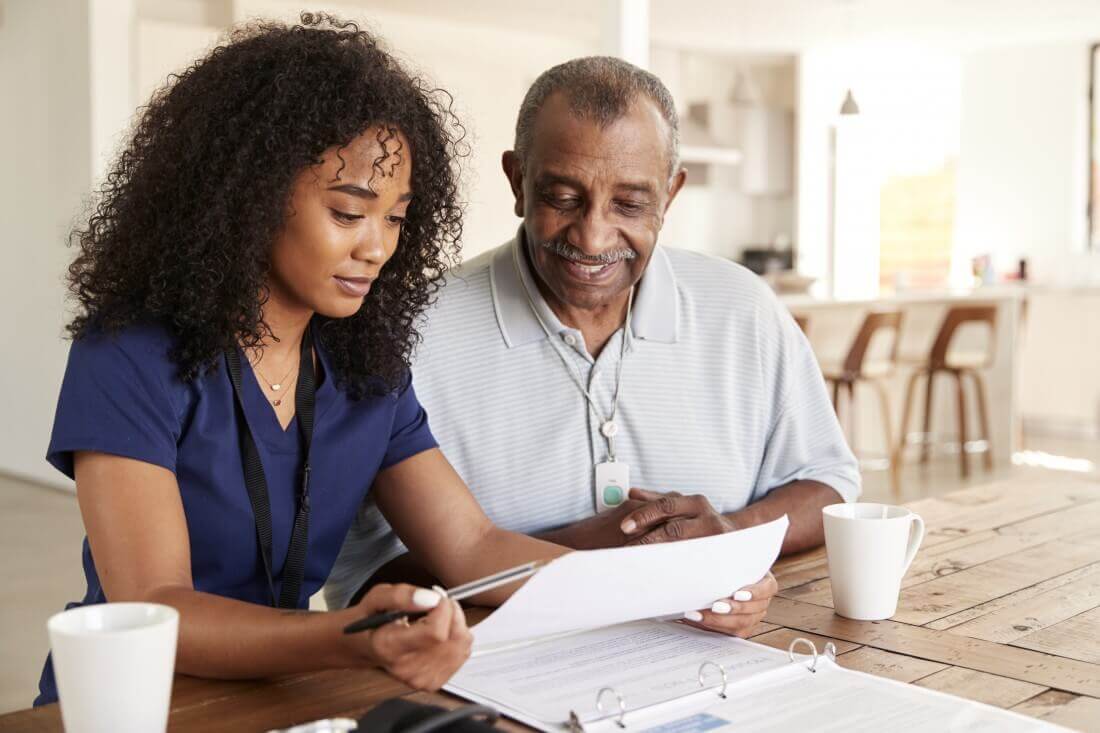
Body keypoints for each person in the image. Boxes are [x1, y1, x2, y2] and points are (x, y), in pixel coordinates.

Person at [34, 13, 574, 706]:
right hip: (131, 701)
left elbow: (471, 543)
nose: (378, 247)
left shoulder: (365, 367)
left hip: (287, 692)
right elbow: (155, 605)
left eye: (396, 217)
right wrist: (349, 635)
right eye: (349, 213)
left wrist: (664, 586)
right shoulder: (128, 354)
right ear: (249, 199)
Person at [327, 57, 862, 636]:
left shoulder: (744, 308)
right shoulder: (408, 332)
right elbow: (365, 583)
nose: (593, 237)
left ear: (671, 194)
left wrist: (726, 542)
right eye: (562, 197)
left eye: (630, 204)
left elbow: (828, 482)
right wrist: (597, 553)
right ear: (517, 181)